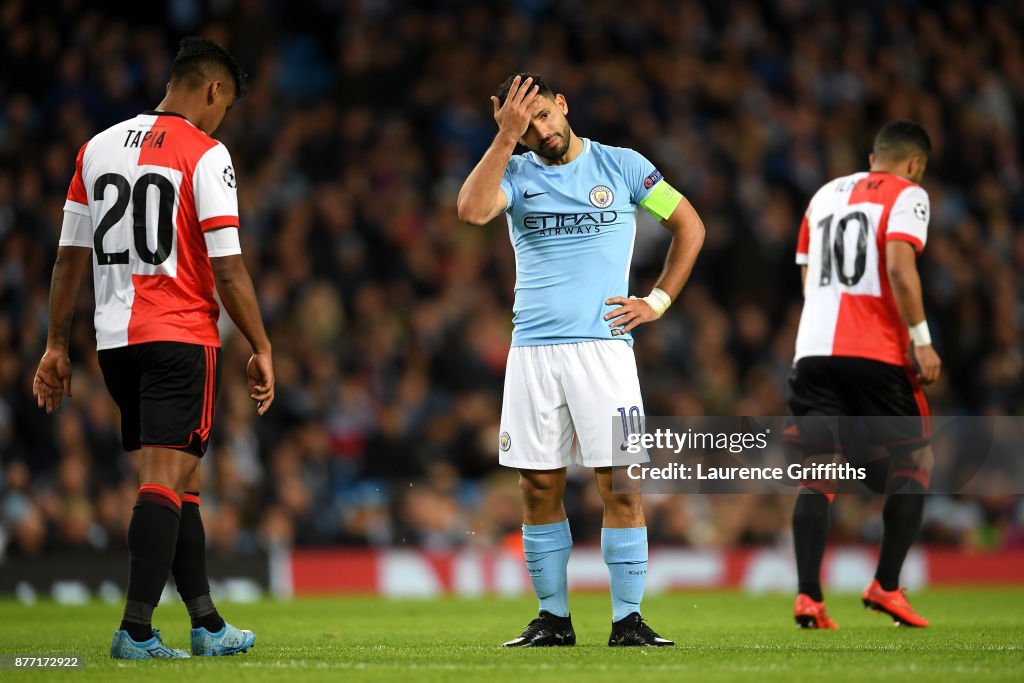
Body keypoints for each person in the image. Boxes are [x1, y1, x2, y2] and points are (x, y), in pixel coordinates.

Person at [32, 37, 275, 659]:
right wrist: (262, 343)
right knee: (164, 479)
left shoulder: (97, 148)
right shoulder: (206, 152)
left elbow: (66, 259)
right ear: (213, 90)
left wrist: (55, 345)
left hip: (114, 343)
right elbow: (228, 267)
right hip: (180, 337)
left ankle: (206, 624)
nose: (223, 120)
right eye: (225, 106)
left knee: (180, 480)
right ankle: (135, 630)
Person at [457, 73, 705, 647]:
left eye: (543, 114)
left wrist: (658, 301)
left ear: (563, 104)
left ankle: (628, 622)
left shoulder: (622, 167)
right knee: (538, 488)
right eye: (524, 123)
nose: (538, 130)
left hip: (607, 352)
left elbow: (689, 225)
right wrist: (504, 140)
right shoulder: (513, 174)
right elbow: (470, 212)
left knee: (621, 483)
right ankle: (553, 620)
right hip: (533, 355)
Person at [786, 121, 939, 629]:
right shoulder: (909, 195)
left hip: (812, 350)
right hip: (875, 349)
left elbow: (808, 274)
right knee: (916, 458)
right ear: (914, 163)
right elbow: (899, 267)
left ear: (874, 155)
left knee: (819, 471)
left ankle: (809, 597)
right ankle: (887, 586)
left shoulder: (824, 194)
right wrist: (921, 338)